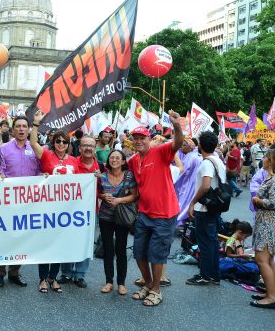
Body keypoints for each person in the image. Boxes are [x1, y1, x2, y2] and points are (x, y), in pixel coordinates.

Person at [127, 110, 183, 307]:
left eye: (142, 138)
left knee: (156, 254)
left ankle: (157, 290)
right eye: (136, 138)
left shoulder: (159, 151)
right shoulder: (133, 160)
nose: (139, 141)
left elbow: (177, 144)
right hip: (144, 212)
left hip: (164, 213)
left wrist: (176, 125)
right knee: (139, 252)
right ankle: (148, 283)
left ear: (149, 139)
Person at [30, 110, 79, 294]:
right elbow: (33, 142)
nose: (61, 144)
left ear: (68, 144)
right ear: (53, 142)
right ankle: (42, 278)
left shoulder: (75, 161)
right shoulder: (47, 156)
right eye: (58, 141)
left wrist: (95, 177)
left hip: (66, 209)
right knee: (45, 243)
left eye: (64, 141)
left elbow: (82, 182)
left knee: (59, 244)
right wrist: (36, 124)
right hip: (46, 206)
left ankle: (53, 277)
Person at [0, 115, 41, 288]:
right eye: (18, 126)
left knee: (22, 238)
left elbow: (40, 173)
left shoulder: (35, 149)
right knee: (3, 237)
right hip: (7, 201)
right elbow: (1, 170)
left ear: (29, 129)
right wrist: (1, 176)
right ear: (12, 130)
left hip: (28, 202)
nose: (21, 129)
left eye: (24, 126)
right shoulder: (4, 149)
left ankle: (14, 271)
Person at [248, 148, 275, 309]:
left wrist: (257, 200)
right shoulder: (274, 177)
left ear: (272, 161)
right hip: (267, 221)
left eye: (266, 157)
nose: (263, 158)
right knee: (268, 259)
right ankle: (270, 292)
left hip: (270, 222)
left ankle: (271, 297)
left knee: (261, 259)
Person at [58, 135, 100, 288]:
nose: (88, 148)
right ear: (80, 148)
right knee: (68, 240)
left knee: (85, 242)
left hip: (90, 210)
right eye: (85, 145)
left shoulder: (100, 166)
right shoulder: (71, 163)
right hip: (69, 210)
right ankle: (66, 272)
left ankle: (80, 274)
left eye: (91, 145)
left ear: (95, 149)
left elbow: (103, 189)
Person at [187, 131, 227, 286]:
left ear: (200, 145)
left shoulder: (206, 163)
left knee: (205, 243)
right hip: (215, 207)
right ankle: (214, 275)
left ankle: (205, 275)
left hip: (205, 208)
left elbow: (205, 186)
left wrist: (192, 202)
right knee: (212, 241)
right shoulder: (218, 160)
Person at [98, 149, 138, 295]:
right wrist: (103, 196)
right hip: (105, 217)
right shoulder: (101, 176)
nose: (114, 160)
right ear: (108, 161)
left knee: (121, 249)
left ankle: (121, 283)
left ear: (123, 161)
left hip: (122, 217)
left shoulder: (129, 176)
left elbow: (134, 195)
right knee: (108, 249)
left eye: (117, 158)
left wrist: (119, 200)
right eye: (112, 158)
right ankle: (109, 281)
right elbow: (96, 192)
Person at [175, 137, 202, 225]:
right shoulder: (195, 156)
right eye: (182, 144)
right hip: (192, 183)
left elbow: (183, 172)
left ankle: (179, 221)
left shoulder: (190, 157)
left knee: (182, 202)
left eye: (184, 145)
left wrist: (173, 180)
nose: (182, 147)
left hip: (187, 184)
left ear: (190, 147)